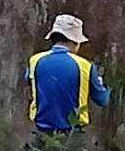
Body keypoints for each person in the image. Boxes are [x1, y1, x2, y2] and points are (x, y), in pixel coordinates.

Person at [26, 10, 109, 139]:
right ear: (74, 41)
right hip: (72, 138)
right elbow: (102, 100)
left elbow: (30, 81)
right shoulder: (85, 66)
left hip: (40, 136)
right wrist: (102, 84)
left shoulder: (35, 61)